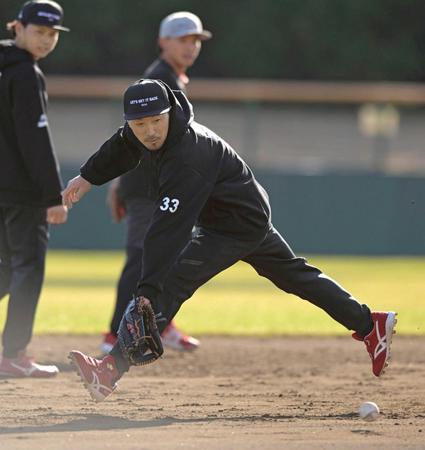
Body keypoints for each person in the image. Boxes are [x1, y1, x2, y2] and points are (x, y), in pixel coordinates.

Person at [63, 79, 397, 402]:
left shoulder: (188, 156)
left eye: (156, 121)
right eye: (139, 124)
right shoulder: (147, 133)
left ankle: (109, 370)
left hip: (232, 227)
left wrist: (147, 290)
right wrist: (88, 176)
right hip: (245, 216)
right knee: (297, 277)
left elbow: (168, 229)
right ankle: (370, 324)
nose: (149, 131)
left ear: (169, 113)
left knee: (169, 283)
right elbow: (122, 146)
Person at [102, 11, 212, 355]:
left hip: (155, 186)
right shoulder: (159, 79)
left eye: (195, 40)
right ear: (163, 41)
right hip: (148, 188)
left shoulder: (170, 78)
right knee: (141, 259)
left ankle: (160, 324)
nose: (191, 46)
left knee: (166, 257)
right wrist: (121, 182)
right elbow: (133, 137)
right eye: (183, 39)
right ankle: (112, 336)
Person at [0, 0, 69, 377]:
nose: (45, 40)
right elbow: (35, 139)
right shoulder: (26, 73)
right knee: (27, 269)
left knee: (7, 269)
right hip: (23, 194)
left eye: (52, 34)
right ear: (19, 28)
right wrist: (52, 196)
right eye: (39, 31)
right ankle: (13, 355)